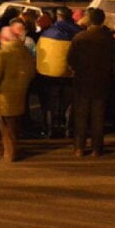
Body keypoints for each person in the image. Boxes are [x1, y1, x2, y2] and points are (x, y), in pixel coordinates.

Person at [68, 9, 115, 157]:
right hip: (102, 82)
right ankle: (96, 148)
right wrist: (110, 75)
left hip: (82, 82)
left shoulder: (79, 38)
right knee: (98, 116)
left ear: (89, 20)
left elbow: (71, 60)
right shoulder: (110, 40)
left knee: (81, 115)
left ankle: (79, 147)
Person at [0, 26, 36, 162]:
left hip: (2, 95)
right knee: (13, 125)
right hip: (19, 93)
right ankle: (12, 150)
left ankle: (10, 153)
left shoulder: (1, 54)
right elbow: (31, 71)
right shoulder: (24, 52)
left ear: (3, 39)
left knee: (6, 128)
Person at [35, 7, 81, 138]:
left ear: (58, 16)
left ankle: (49, 129)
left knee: (49, 103)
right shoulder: (79, 33)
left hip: (48, 73)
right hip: (70, 73)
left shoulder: (46, 33)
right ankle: (68, 128)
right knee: (69, 102)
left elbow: (39, 52)